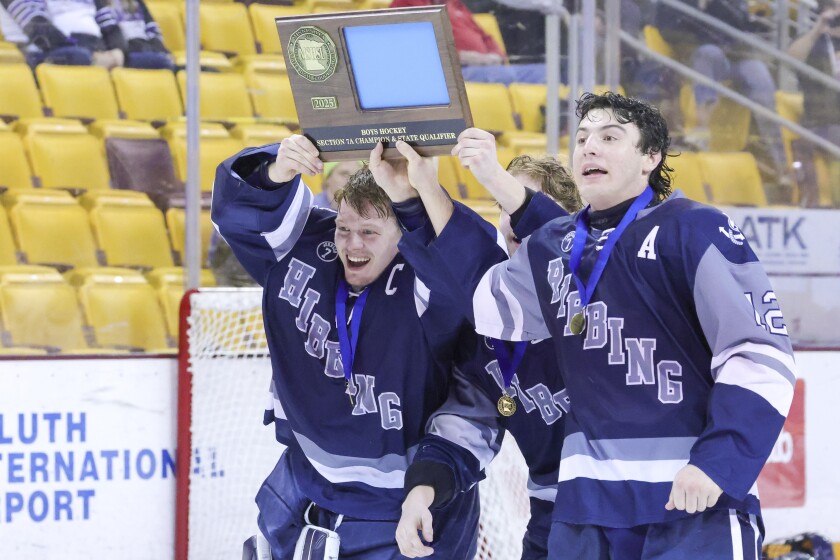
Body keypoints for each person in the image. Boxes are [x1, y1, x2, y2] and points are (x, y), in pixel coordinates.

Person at [390, 92, 797, 558]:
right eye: (581, 138)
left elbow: (758, 355)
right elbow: (488, 303)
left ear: (650, 157)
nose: (589, 147)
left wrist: (719, 462)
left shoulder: (694, 228)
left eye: (609, 137)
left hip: (690, 496)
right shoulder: (552, 247)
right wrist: (416, 194)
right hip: (586, 509)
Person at [211, 136, 502, 559]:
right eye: (344, 228)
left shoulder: (428, 278)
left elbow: (476, 268)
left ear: (403, 236)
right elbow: (236, 215)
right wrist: (276, 170)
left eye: (369, 232)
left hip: (410, 505)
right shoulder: (308, 249)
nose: (353, 245)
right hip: (305, 487)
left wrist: (414, 199)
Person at [386, 143, 582, 560]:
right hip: (556, 516)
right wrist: (420, 491)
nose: (514, 219)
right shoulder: (482, 323)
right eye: (503, 202)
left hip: (643, 506)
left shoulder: (600, 288)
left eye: (525, 203)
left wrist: (420, 194)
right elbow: (464, 429)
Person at [654, 0, 791, 201]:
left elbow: (740, 27)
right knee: (709, 53)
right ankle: (701, 130)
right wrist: (699, 8)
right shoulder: (673, 3)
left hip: (733, 57)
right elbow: (670, 31)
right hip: (693, 57)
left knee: (758, 74)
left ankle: (780, 164)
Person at [0, 0, 171, 68]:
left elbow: (108, 25)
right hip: (42, 53)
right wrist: (93, 56)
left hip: (89, 46)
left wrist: (117, 51)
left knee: (158, 62)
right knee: (78, 56)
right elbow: (38, 30)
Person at [786, 0, 840, 206]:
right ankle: (822, 205)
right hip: (819, 124)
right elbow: (790, 60)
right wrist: (818, 29)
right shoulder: (813, 41)